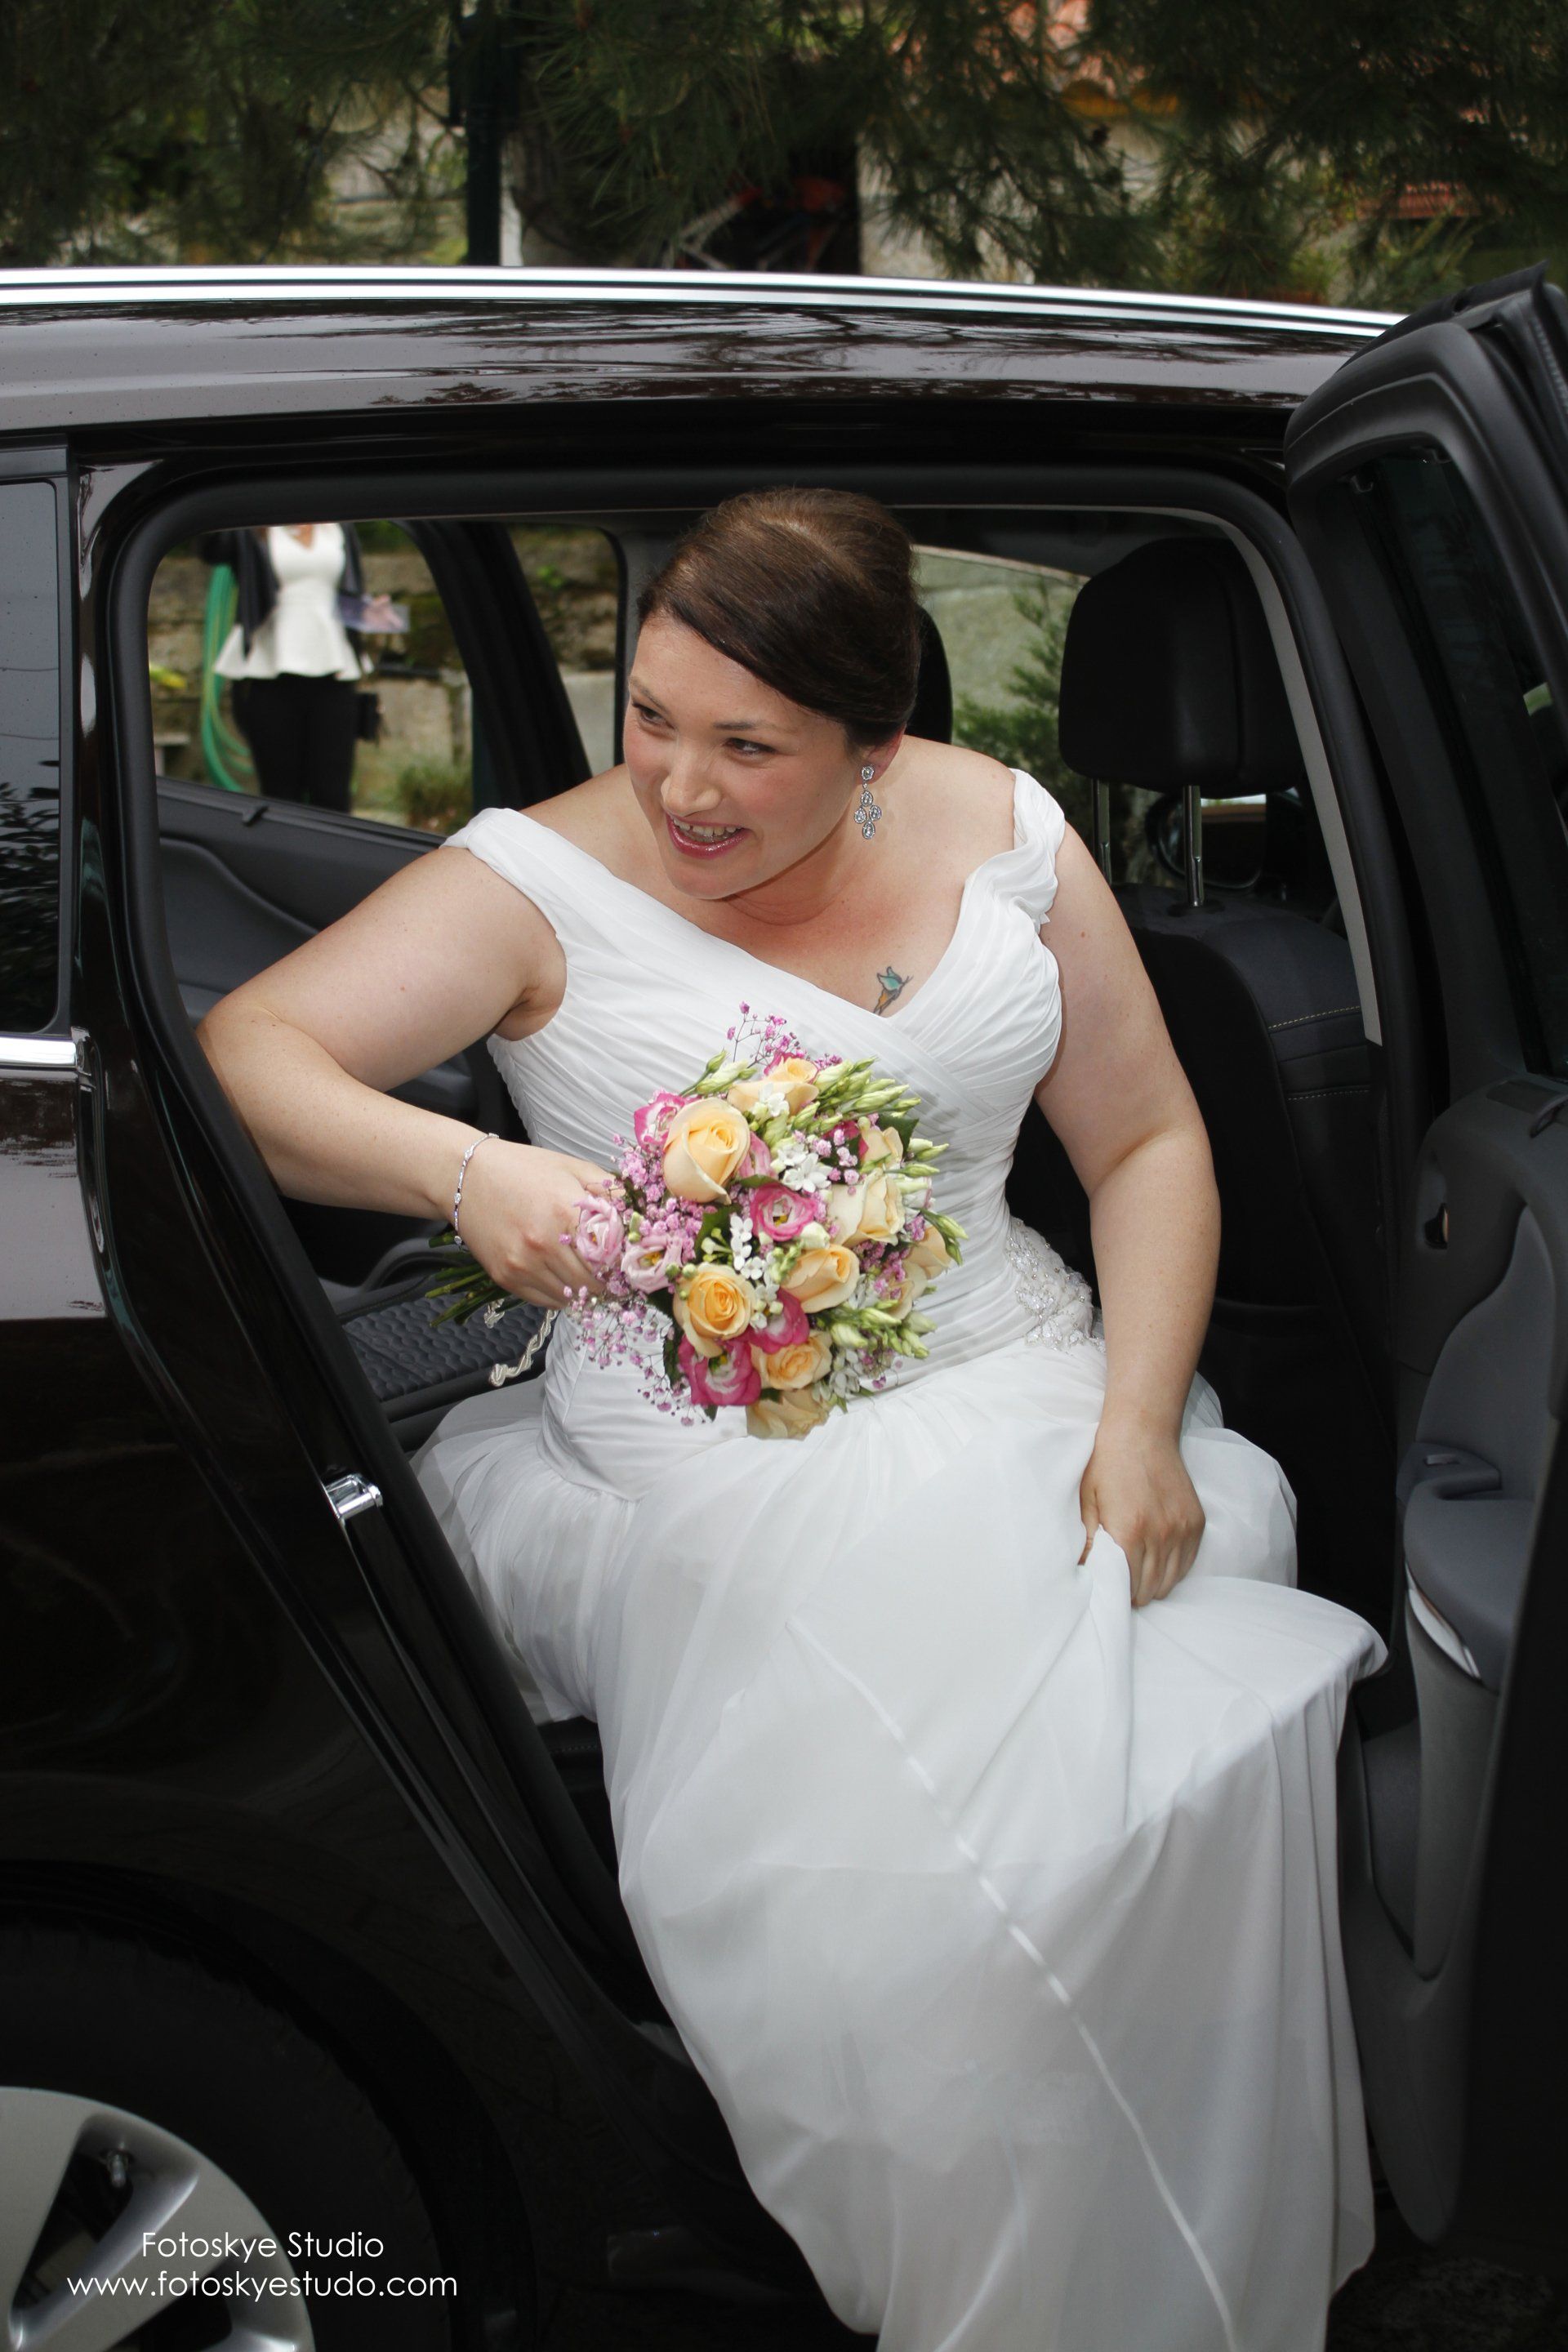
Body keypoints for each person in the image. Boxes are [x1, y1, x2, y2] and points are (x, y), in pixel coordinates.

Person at [195, 489, 1386, 2352]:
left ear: (875, 746)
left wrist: (1143, 1422)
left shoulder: (1010, 836)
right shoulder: (536, 880)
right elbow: (250, 1053)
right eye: (651, 716)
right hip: (708, 1453)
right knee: (934, 1888)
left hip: (1029, 1386)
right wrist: (468, 1170)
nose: (680, 784)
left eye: (748, 747)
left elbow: (1149, 1140)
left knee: (1165, 1747)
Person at [205, 522, 375, 811]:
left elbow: (349, 591)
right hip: (269, 667)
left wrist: (375, 616)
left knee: (333, 793)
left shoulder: (339, 527)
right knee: (280, 795)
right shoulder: (252, 528)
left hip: (335, 667)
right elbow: (211, 548)